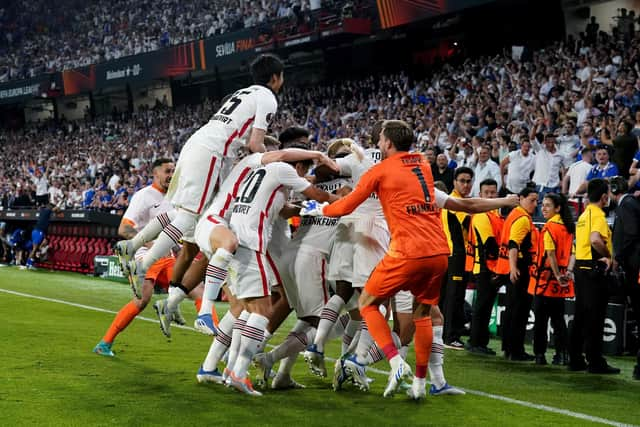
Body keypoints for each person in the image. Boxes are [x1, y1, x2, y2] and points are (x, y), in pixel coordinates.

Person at [301, 120, 518, 399]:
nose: (379, 145)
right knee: (426, 316)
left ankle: (386, 361)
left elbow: (345, 203)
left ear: (388, 143)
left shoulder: (379, 170)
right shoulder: (423, 170)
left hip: (401, 251)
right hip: (439, 254)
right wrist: (505, 201)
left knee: (369, 305)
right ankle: (421, 383)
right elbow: (466, 205)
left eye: (381, 140)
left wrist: (315, 207)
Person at [115, 54, 285, 299]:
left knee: (185, 212)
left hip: (199, 145)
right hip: (212, 153)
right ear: (276, 77)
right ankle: (141, 264)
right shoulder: (269, 98)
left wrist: (260, 141)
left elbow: (245, 135)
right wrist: (272, 157)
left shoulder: (244, 92)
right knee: (190, 215)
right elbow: (254, 144)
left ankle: (132, 247)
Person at [219, 152, 337, 396]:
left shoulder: (260, 174)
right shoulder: (283, 169)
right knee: (262, 313)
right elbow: (316, 194)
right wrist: (347, 202)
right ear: (298, 166)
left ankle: (225, 368)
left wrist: (302, 209)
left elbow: (285, 210)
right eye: (304, 172)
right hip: (253, 246)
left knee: (250, 310)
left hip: (238, 242)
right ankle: (241, 370)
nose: (305, 178)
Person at [93, 158, 202, 356]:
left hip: (168, 254)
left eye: (173, 171)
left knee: (197, 289)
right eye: (167, 171)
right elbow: (124, 228)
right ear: (156, 174)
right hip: (145, 253)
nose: (171, 175)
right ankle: (105, 343)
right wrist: (150, 243)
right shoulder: (144, 196)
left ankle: (222, 346)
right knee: (142, 299)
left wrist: (181, 250)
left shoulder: (177, 198)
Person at [569, 178, 620, 374]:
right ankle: (595, 360)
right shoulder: (597, 215)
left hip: (581, 269)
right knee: (595, 316)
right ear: (605, 196)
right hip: (593, 269)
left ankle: (575, 358)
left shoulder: (583, 215)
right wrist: (607, 255)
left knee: (581, 314)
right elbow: (595, 240)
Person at [528, 193, 575, 366]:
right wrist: (568, 272)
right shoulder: (569, 228)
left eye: (548, 205)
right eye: (543, 204)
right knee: (558, 319)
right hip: (562, 281)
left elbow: (550, 253)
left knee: (541, 320)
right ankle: (562, 354)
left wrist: (556, 275)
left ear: (558, 208)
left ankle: (540, 355)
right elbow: (572, 253)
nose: (543, 208)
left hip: (546, 280)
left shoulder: (549, 228)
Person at [495, 186, 538, 361]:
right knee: (519, 310)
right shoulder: (522, 218)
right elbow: (514, 244)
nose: (535, 204)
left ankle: (509, 347)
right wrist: (514, 268)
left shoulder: (514, 214)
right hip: (520, 267)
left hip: (510, 266)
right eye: (532, 200)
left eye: (536, 201)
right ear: (521, 198)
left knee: (513, 309)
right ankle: (516, 350)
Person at [465, 178, 504, 355]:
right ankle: (476, 342)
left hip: (488, 266)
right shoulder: (482, 215)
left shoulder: (494, 215)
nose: (490, 196)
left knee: (485, 305)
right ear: (480, 195)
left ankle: (479, 341)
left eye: (493, 193)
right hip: (485, 267)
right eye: (486, 193)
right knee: (482, 305)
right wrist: (497, 267)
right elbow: (489, 245)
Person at [610, 176, 640, 379]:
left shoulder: (627, 204)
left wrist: (618, 257)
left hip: (635, 265)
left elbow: (630, 233)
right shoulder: (629, 203)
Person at [440, 166, 474, 349]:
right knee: (454, 296)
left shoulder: (456, 201)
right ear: (454, 182)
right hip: (456, 255)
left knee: (447, 296)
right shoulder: (456, 202)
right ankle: (450, 336)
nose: (466, 185)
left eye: (469, 181)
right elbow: (470, 223)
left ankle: (444, 334)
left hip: (451, 253)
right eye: (462, 181)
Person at [26, 203, 56, 269]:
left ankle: (30, 264)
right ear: (50, 207)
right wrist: (61, 202)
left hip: (35, 231)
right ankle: (28, 264)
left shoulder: (43, 210)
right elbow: (56, 209)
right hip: (38, 232)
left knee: (35, 249)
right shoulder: (48, 210)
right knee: (34, 249)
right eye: (51, 207)